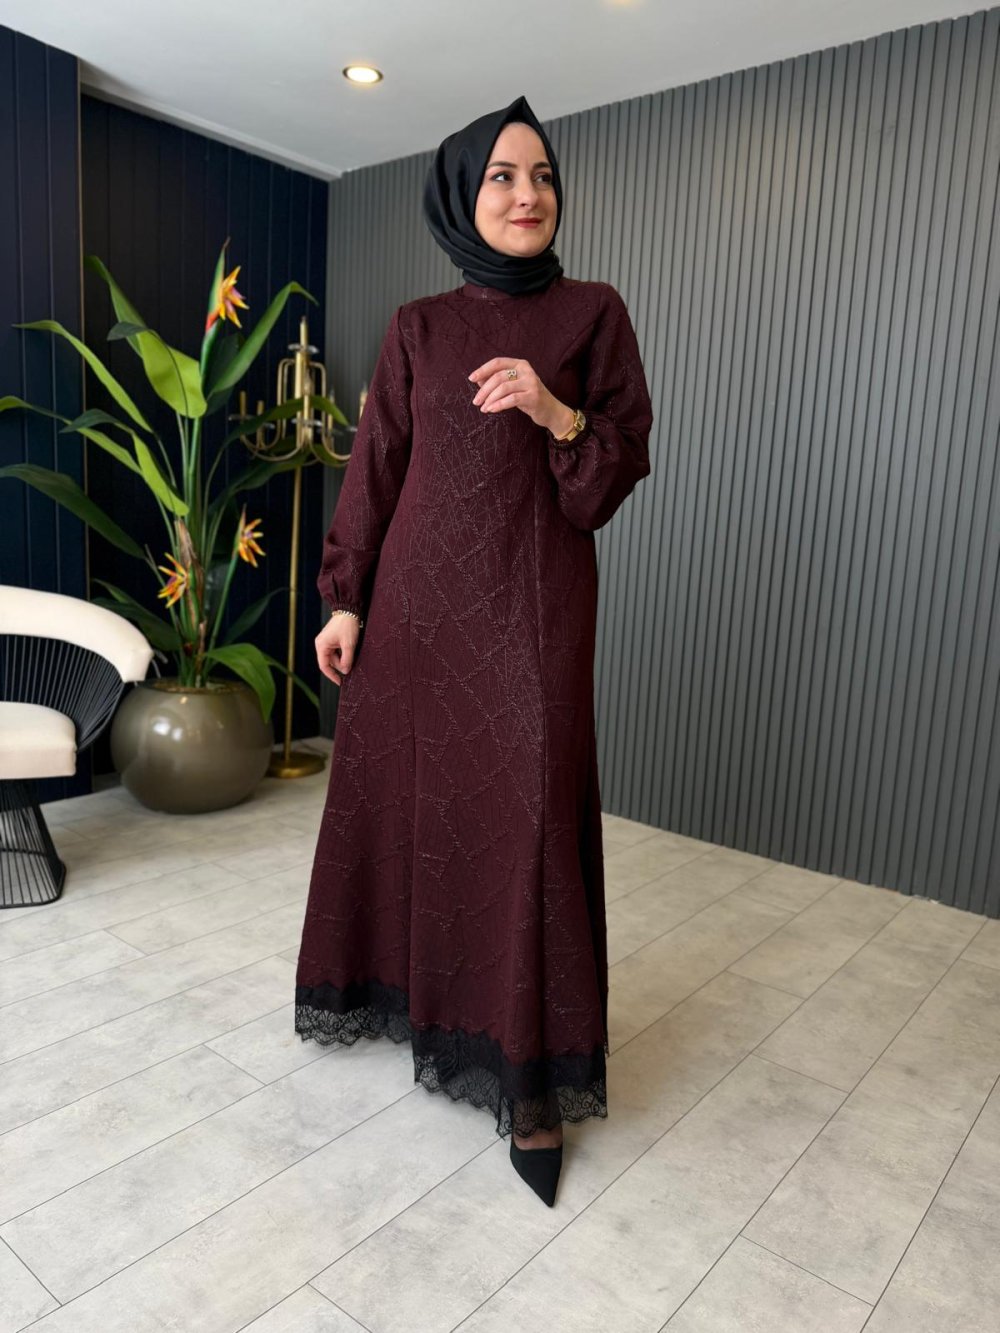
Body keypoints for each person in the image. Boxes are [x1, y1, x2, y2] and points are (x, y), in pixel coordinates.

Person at [295, 94, 654, 1207]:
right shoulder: (417, 327)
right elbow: (377, 467)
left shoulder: (592, 314)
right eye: (502, 175)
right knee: (417, 811)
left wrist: (553, 412)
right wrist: (346, 598)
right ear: (462, 194)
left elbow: (606, 479)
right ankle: (416, 1002)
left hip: (534, 609)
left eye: (541, 175)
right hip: (417, 615)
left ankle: (531, 1077)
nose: (527, 194)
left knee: (529, 821)